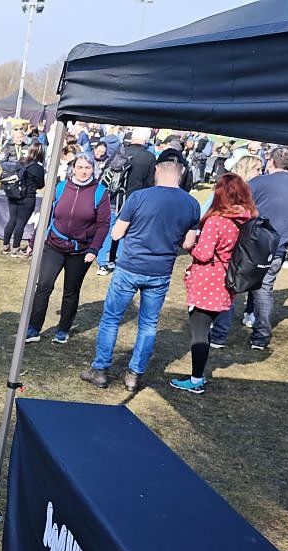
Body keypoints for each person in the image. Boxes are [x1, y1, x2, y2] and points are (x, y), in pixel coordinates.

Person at [80, 152, 201, 391]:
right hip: (160, 270)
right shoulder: (191, 204)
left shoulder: (139, 197)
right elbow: (188, 243)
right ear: (182, 172)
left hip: (130, 266)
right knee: (148, 324)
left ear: (157, 169)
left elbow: (117, 234)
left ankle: (100, 369)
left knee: (111, 319)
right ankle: (134, 374)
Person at [210, 146, 288, 350]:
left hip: (247, 246)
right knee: (264, 291)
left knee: (232, 284)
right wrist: (285, 240)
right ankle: (261, 337)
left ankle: (219, 335)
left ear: (271, 162)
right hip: (275, 248)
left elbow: (239, 210)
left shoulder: (256, 182)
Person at [169, 174, 256, 394]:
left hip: (209, 281)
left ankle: (196, 379)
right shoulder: (246, 219)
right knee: (205, 328)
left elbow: (204, 254)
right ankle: (198, 375)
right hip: (228, 278)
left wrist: (189, 245)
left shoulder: (217, 221)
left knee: (199, 333)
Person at [26, 153, 111, 344]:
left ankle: (63, 330)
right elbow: (46, 215)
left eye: (87, 168)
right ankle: (33, 328)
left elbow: (103, 224)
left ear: (93, 169)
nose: (83, 171)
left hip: (81, 251)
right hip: (54, 245)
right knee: (44, 286)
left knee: (71, 291)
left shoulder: (100, 193)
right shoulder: (61, 187)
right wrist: (33, 241)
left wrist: (94, 249)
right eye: (80, 167)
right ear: (73, 168)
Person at [97, 127, 157, 274]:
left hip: (112, 197)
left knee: (109, 229)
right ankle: (120, 261)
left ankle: (103, 262)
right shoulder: (149, 158)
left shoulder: (120, 151)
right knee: (127, 231)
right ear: (146, 140)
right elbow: (150, 183)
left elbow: (105, 173)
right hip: (134, 200)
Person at [0, 144, 47, 256]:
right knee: (20, 223)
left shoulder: (20, 162)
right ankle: (15, 249)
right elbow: (41, 185)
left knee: (12, 220)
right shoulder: (38, 168)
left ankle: (5, 246)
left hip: (14, 194)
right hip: (28, 197)